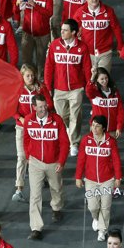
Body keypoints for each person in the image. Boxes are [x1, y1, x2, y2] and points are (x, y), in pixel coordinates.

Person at [23, 94, 69, 240]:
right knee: (35, 195)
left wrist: (61, 162)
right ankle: (36, 227)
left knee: (56, 188)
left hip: (53, 162)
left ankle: (56, 207)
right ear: (34, 107)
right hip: (35, 162)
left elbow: (64, 143)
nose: (43, 109)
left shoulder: (56, 120)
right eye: (40, 106)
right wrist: (28, 156)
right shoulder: (29, 121)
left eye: (45, 106)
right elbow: (26, 139)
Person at [44, 19, 92, 157]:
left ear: (73, 33)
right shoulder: (54, 45)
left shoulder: (82, 47)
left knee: (75, 116)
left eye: (65, 30)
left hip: (76, 89)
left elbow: (87, 68)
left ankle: (74, 143)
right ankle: (66, 138)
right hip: (59, 89)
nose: (62, 32)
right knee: (61, 117)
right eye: (62, 29)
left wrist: (88, 86)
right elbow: (49, 67)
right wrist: (48, 86)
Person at [75, 115, 123, 242]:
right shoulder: (86, 140)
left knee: (106, 206)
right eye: (93, 125)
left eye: (97, 126)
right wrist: (78, 177)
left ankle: (102, 230)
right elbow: (81, 160)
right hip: (90, 180)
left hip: (107, 180)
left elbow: (116, 161)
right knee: (93, 207)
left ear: (103, 128)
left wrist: (118, 177)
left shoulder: (111, 142)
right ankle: (96, 218)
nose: (94, 128)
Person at [12, 64, 53, 203]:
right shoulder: (17, 89)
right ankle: (19, 189)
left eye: (32, 75)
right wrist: (20, 118)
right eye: (27, 75)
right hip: (22, 128)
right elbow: (12, 108)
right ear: (22, 76)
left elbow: (50, 105)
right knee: (22, 157)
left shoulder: (41, 88)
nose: (30, 78)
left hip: (38, 128)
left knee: (39, 155)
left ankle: (43, 178)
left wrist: (40, 114)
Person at [73, 0, 124, 72]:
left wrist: (120, 45)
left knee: (102, 79)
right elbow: (72, 26)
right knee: (89, 80)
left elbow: (116, 28)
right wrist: (76, 36)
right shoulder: (80, 12)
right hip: (87, 52)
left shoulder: (108, 11)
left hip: (105, 52)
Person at [16, 0, 53, 80]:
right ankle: (26, 81)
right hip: (27, 32)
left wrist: (35, 5)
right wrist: (17, 3)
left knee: (41, 60)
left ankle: (40, 81)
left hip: (42, 34)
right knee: (26, 59)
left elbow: (49, 13)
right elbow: (17, 8)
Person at [85, 68, 124, 138]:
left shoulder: (115, 92)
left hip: (112, 130)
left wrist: (119, 127)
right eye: (102, 79)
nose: (105, 81)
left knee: (111, 148)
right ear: (97, 80)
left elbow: (120, 111)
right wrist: (92, 76)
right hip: (97, 129)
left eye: (106, 78)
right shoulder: (94, 92)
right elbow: (88, 91)